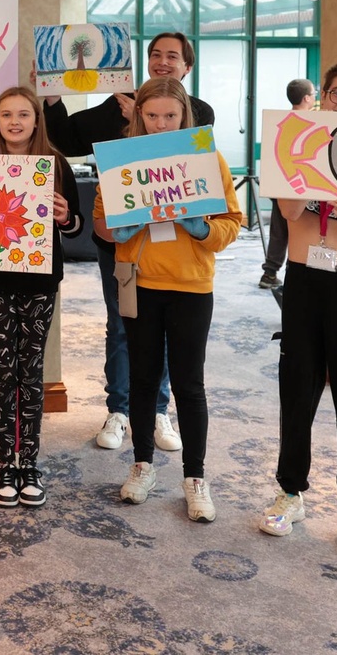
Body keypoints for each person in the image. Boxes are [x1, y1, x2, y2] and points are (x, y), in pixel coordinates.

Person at [42, 31, 216, 455]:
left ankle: (158, 411)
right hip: (122, 246)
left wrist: (141, 119)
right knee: (122, 327)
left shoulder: (198, 113)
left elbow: (186, 164)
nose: (162, 62)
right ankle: (119, 410)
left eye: (172, 56)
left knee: (171, 335)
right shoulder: (116, 103)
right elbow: (66, 139)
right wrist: (50, 95)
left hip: (178, 251)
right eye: (155, 54)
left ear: (186, 67)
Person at [93, 77, 240, 521]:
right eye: (152, 115)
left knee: (189, 384)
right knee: (142, 378)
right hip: (139, 283)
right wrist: (119, 229)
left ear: (184, 117)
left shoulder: (207, 161)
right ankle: (142, 466)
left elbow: (232, 222)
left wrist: (202, 228)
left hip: (192, 285)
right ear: (139, 115)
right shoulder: (120, 163)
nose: (160, 124)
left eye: (169, 116)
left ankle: (195, 477)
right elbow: (101, 224)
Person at [258, 61, 337, 558]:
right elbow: (290, 214)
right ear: (323, 97)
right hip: (305, 279)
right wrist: (310, 170)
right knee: (298, 385)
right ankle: (290, 492)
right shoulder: (295, 145)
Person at [0, 86, 82, 508]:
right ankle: (4, 464)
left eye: (23, 114)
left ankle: (29, 463)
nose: (15, 121)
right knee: (3, 370)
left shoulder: (55, 164)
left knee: (30, 372)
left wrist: (66, 218)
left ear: (35, 120)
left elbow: (75, 225)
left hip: (40, 282)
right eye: (6, 114)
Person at [259, 79, 315, 290]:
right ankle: (295, 269)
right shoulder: (316, 123)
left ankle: (269, 272)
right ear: (307, 98)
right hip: (305, 186)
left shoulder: (280, 122)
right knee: (302, 231)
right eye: (314, 93)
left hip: (280, 183)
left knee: (279, 232)